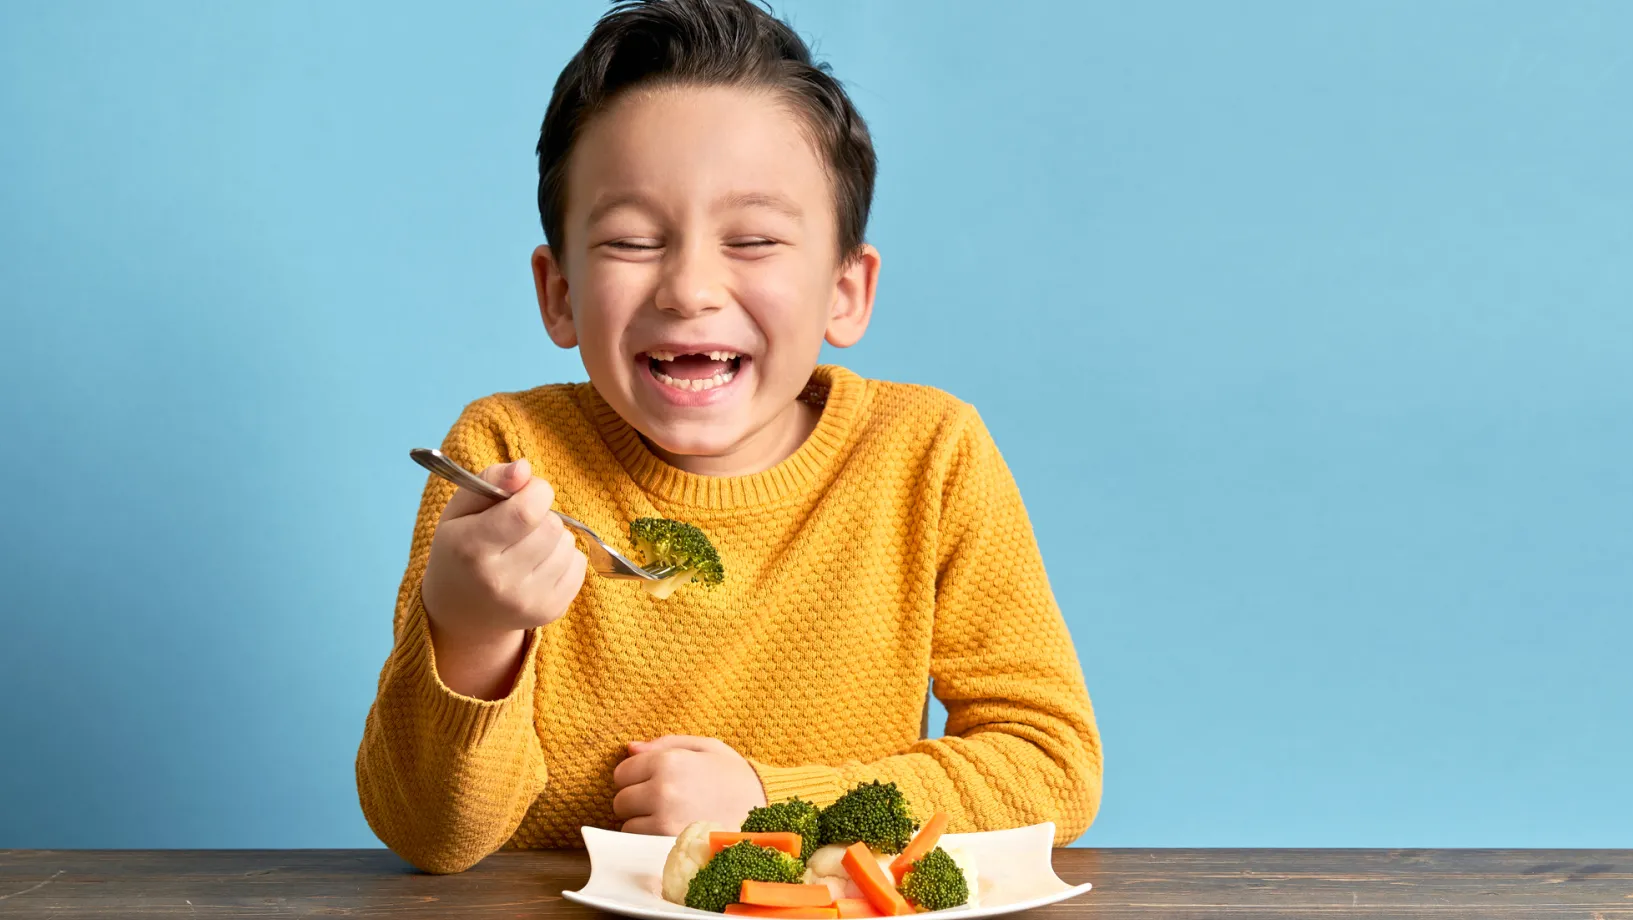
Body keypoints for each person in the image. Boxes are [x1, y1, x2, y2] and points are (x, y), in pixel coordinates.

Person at [356, 0, 1103, 874]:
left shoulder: (929, 454)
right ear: (559, 292)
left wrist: (769, 801)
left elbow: (1052, 766)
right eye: (633, 241)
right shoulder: (508, 454)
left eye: (752, 239)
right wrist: (471, 628)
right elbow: (430, 838)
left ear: (845, 291)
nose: (690, 288)